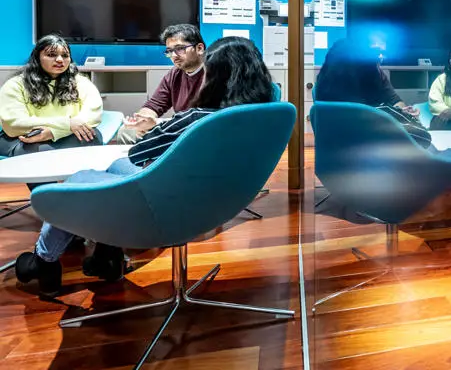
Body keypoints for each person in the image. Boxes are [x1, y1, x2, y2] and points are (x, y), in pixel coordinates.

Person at [15, 36, 277, 296]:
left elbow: (140, 152)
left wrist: (157, 128)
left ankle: (44, 261)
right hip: (222, 201)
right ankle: (107, 254)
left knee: (80, 180)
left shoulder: (199, 118)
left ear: (215, 77)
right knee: (118, 166)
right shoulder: (269, 114)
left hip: (174, 207)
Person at [0, 35, 102, 185]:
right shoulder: (15, 85)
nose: (60, 60)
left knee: (93, 136)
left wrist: (53, 132)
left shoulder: (80, 82)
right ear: (38, 57)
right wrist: (67, 124)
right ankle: (48, 197)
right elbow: (14, 124)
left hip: (64, 137)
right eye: (51, 55)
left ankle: (77, 192)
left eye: (65, 55)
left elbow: (92, 115)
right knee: (37, 154)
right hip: (23, 139)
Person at [315, 38, 430, 148]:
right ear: (370, 77)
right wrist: (402, 117)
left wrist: (400, 112)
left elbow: (395, 100)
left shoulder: (324, 109)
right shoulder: (379, 116)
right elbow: (424, 138)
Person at [116, 24, 206, 144]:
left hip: (201, 130)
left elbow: (205, 116)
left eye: (180, 48)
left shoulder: (214, 72)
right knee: (127, 131)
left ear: (199, 48)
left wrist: (158, 123)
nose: (174, 56)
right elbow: (154, 104)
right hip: (177, 128)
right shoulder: (175, 74)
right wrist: (142, 121)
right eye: (169, 51)